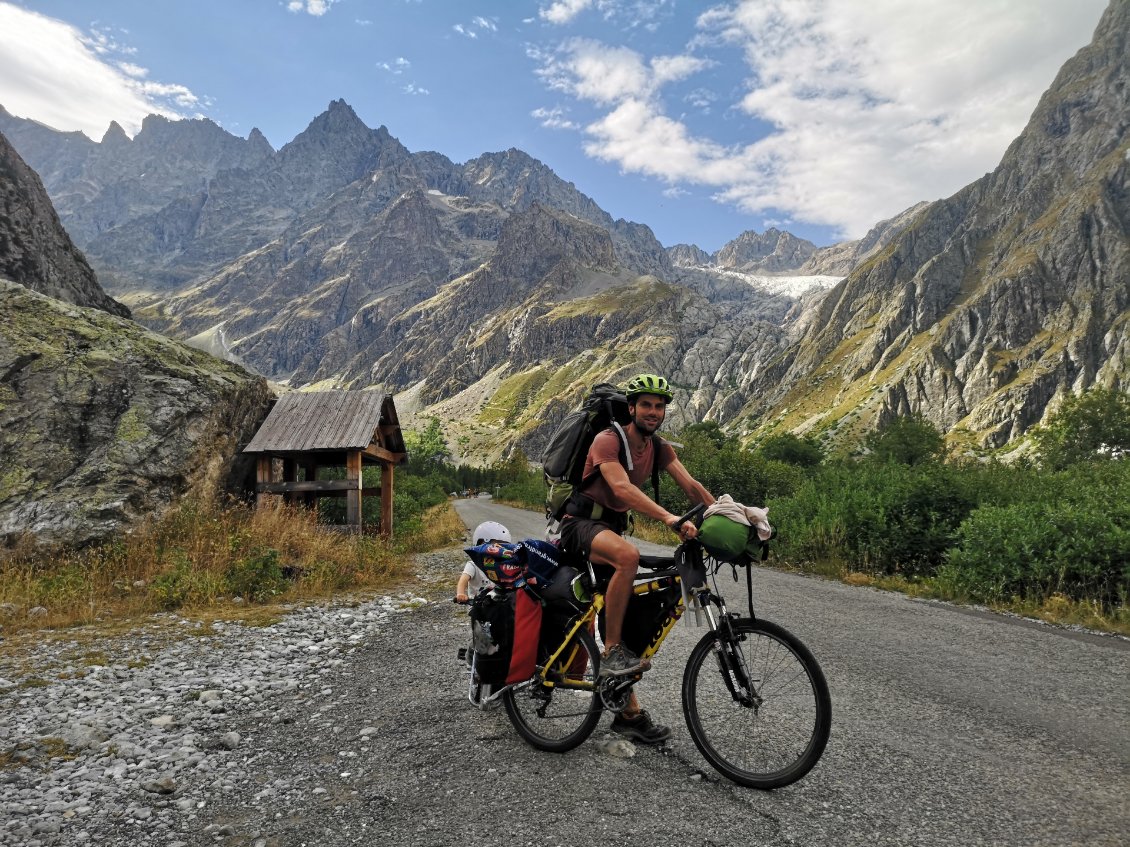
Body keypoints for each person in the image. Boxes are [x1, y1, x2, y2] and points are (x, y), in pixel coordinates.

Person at [558, 373, 714, 744]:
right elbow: (621, 487)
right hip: (580, 525)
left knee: (629, 617)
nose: (653, 411)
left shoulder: (659, 448)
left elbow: (690, 486)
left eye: (659, 406)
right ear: (631, 408)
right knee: (628, 557)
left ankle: (628, 713)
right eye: (646, 404)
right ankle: (611, 652)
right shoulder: (607, 440)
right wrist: (668, 518)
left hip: (610, 529)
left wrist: (729, 514)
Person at [456, 520, 512, 602]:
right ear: (481, 544)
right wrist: (460, 593)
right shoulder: (473, 565)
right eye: (495, 546)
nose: (499, 550)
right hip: (478, 607)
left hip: (498, 605)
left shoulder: (502, 565)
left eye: (503, 547)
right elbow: (463, 579)